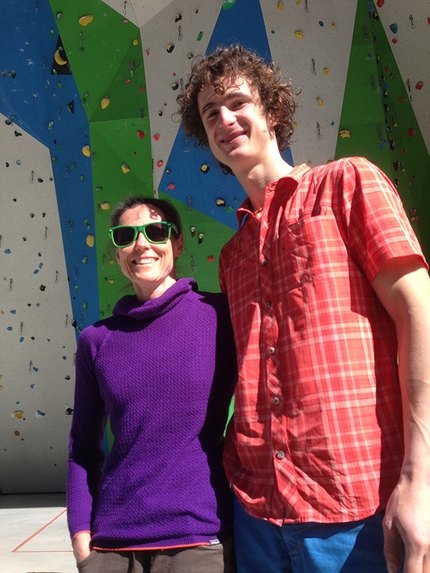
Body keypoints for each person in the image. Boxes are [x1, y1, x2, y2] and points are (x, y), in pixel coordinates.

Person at [177, 45, 430, 573]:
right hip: (256, 514)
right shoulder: (233, 254)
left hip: (356, 513)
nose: (224, 119)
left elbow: (418, 317)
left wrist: (420, 479)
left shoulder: (347, 184)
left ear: (271, 109)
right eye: (210, 113)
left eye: (236, 102)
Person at [67, 196, 237, 573]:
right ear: (117, 253)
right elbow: (83, 445)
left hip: (199, 541)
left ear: (177, 244)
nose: (141, 243)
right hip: (111, 548)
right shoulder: (97, 340)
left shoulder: (220, 317)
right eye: (126, 235)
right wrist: (81, 537)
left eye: (156, 231)